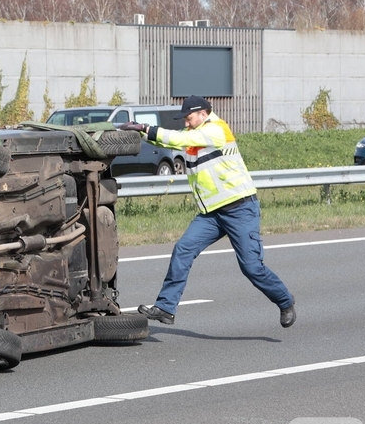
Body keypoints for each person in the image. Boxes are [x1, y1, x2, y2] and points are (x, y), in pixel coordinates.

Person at [119, 96, 296, 328]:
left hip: (239, 208)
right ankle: (165, 308)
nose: (186, 123)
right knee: (183, 249)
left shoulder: (216, 130)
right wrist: (140, 132)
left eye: (189, 118)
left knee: (251, 268)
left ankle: (284, 301)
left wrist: (147, 127)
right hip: (212, 213)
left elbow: (180, 138)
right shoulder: (196, 136)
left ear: (203, 113)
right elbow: (174, 142)